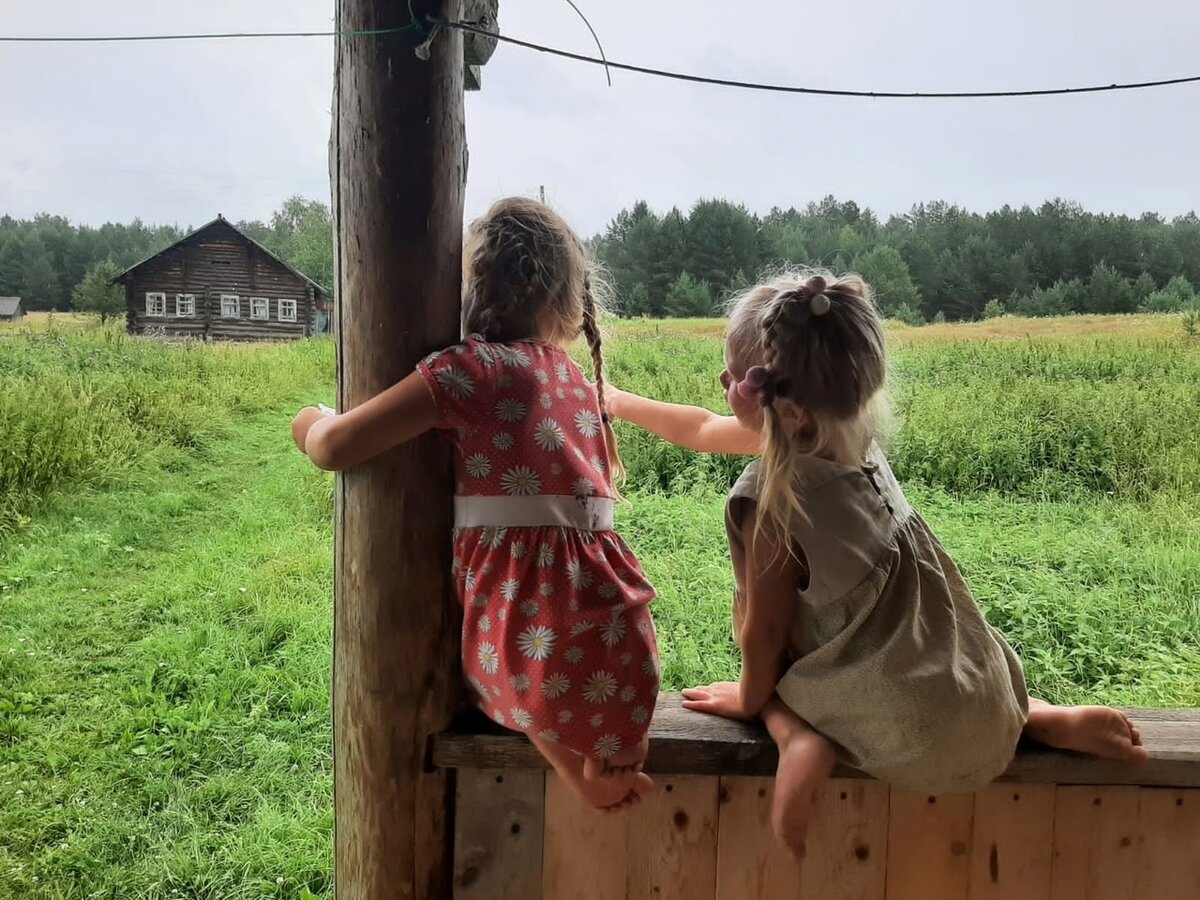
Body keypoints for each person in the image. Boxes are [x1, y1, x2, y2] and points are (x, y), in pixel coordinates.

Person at [607, 269, 1148, 853]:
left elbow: (762, 638)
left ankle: (796, 741)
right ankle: (1038, 716)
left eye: (735, 378)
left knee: (773, 686)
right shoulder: (850, 443)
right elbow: (703, 427)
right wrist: (618, 401)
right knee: (937, 677)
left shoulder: (775, 503)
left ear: (778, 406)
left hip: (905, 727)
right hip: (979, 694)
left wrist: (749, 702)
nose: (722, 384)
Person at [291, 198, 659, 811]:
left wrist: (308, 420)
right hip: (617, 629)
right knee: (542, 689)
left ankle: (585, 773)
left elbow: (335, 447)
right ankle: (595, 767)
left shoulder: (473, 370)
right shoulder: (574, 377)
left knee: (495, 681)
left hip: (526, 623)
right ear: (569, 301)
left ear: (470, 291)